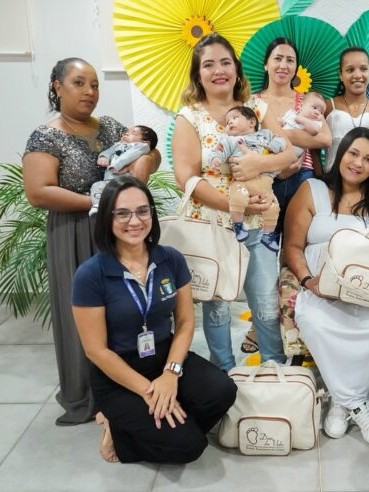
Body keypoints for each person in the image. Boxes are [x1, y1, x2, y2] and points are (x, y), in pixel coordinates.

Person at [23, 57, 160, 426]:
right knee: (84, 315)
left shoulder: (111, 126)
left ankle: (130, 385)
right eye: (79, 83)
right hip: (74, 234)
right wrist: (101, 203)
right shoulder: (46, 135)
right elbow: (37, 192)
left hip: (118, 233)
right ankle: (87, 394)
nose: (89, 92)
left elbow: (151, 151)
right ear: (57, 87)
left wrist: (140, 169)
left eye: (95, 85)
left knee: (125, 311)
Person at [72, 175, 237, 463]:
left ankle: (166, 418)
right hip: (119, 372)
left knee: (222, 390)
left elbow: (185, 322)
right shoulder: (91, 274)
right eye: (122, 213)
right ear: (106, 218)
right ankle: (119, 429)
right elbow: (95, 350)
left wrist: (171, 374)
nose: (134, 221)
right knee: (190, 446)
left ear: (152, 213)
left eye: (142, 211)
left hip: (163, 356)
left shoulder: (170, 259)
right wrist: (149, 391)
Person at [171, 33, 295, 371]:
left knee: (267, 303)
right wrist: (233, 206)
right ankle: (223, 374)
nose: (218, 70)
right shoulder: (189, 118)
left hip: (259, 226)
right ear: (198, 74)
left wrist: (260, 164)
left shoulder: (256, 109)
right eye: (208, 64)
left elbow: (288, 153)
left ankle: (274, 371)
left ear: (237, 70)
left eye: (225, 62)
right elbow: (186, 178)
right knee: (218, 305)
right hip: (214, 226)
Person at [284, 127, 369, 449]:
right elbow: (293, 247)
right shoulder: (311, 189)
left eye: (368, 159)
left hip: (365, 290)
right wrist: (308, 282)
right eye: (353, 153)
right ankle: (360, 405)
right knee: (314, 321)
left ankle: (345, 401)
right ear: (341, 154)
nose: (358, 163)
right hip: (320, 286)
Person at [242, 37, 333, 355]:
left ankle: (295, 320)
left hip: (301, 180)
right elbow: (244, 135)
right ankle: (261, 320)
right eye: (277, 58)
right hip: (262, 182)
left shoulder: (306, 101)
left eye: (290, 60)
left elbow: (323, 137)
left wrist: (278, 140)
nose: (283, 65)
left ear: (296, 68)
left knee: (295, 252)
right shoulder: (251, 101)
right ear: (266, 63)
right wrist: (286, 150)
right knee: (261, 253)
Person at [207, 106, 285, 251]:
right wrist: (216, 159)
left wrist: (275, 146)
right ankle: (238, 225)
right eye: (227, 121)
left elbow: (282, 141)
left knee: (273, 207)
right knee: (237, 195)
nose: (229, 122)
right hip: (243, 181)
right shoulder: (231, 140)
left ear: (251, 122)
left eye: (234, 118)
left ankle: (268, 235)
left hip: (266, 182)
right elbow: (218, 150)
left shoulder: (266, 134)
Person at [325, 46, 369, 173]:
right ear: (340, 74)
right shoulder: (327, 107)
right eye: (350, 70)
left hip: (367, 186)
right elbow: (314, 150)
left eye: (363, 69)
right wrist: (320, 176)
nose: (357, 75)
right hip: (331, 184)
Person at [90, 125, 158, 216]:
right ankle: (98, 204)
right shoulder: (117, 145)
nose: (127, 133)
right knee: (96, 186)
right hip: (109, 181)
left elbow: (130, 156)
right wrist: (103, 157)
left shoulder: (141, 146)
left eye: (133, 133)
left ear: (146, 141)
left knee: (125, 198)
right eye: (127, 132)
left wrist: (117, 165)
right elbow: (108, 152)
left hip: (126, 180)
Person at [281, 91, 326, 159]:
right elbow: (282, 122)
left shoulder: (315, 123)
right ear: (301, 105)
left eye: (321, 112)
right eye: (314, 108)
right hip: (281, 142)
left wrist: (302, 120)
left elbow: (315, 130)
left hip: (294, 150)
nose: (317, 112)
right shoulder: (291, 113)